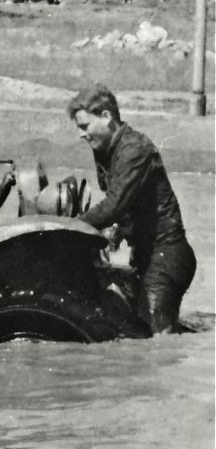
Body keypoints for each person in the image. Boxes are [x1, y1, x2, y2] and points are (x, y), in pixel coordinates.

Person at [67, 84, 196, 334]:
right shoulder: (105, 150)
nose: (81, 135)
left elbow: (114, 205)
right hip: (146, 256)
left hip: (166, 257)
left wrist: (73, 225)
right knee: (139, 331)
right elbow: (129, 207)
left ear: (106, 117)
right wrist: (116, 231)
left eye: (84, 126)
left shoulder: (134, 149)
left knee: (159, 340)